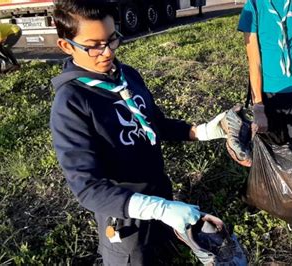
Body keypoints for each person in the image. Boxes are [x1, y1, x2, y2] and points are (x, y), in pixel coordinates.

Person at [50, 1, 229, 264]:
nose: (107, 52)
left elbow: (153, 122)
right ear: (67, 46)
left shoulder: (127, 76)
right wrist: (159, 209)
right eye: (93, 46)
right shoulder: (71, 103)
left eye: (112, 40)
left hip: (160, 193)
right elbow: (88, 188)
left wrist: (201, 131)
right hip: (126, 219)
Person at [238, 0, 292, 232]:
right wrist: (258, 106)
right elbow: (254, 59)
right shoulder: (254, 6)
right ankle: (265, 196)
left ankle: (291, 209)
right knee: (270, 146)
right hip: (268, 93)